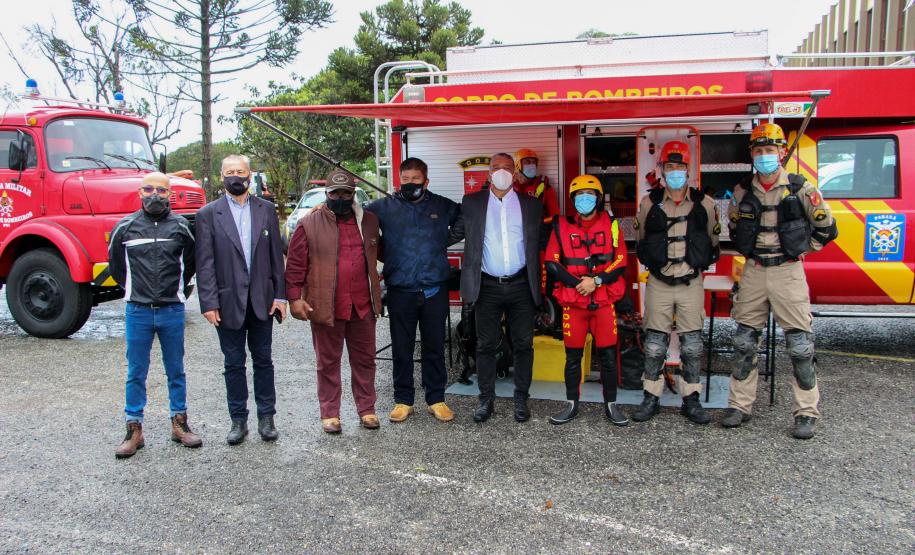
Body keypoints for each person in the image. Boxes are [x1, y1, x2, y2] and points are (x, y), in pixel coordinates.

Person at [725, 123, 838, 439]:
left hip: (788, 271)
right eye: (759, 151)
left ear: (782, 152)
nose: (764, 157)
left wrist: (799, 250)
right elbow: (735, 230)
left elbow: (827, 230)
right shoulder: (742, 191)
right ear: (752, 154)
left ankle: (806, 412)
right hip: (754, 270)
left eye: (769, 151)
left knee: (800, 346)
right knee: (744, 341)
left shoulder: (801, 188)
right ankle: (740, 405)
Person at [195, 154, 287, 445]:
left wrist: (280, 296)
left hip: (261, 300)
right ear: (222, 176)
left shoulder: (266, 210)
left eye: (241, 171)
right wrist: (208, 302)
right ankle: (238, 420)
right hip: (226, 303)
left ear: (250, 175)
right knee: (233, 363)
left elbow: (276, 258)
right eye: (230, 171)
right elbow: (205, 263)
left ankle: (267, 418)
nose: (236, 176)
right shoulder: (208, 214)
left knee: (264, 361)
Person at [108, 172, 201, 458]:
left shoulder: (182, 228)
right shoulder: (125, 228)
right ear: (139, 192)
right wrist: (136, 292)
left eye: (161, 190)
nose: (155, 195)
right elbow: (116, 269)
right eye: (149, 189)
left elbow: (191, 263)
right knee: (136, 372)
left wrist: (176, 294)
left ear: (170, 194)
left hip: (172, 310)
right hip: (138, 310)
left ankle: (180, 424)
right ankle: (133, 429)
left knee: (176, 370)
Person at [286, 169, 383, 434]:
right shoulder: (309, 223)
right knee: (327, 362)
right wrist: (294, 298)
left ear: (353, 195)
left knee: (365, 361)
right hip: (325, 304)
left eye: (346, 193)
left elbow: (383, 253)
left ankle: (367, 409)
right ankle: (330, 413)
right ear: (327, 194)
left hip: (362, 305)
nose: (340, 198)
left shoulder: (370, 221)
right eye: (335, 193)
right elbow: (295, 265)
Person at [365, 158, 461, 423]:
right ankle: (403, 400)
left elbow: (465, 217)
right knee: (402, 348)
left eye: (415, 180)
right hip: (400, 291)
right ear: (398, 180)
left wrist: (445, 239)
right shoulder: (382, 207)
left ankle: (436, 399)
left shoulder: (441, 205)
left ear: (426, 181)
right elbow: (357, 218)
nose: (410, 184)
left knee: (433, 347)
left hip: (433, 290)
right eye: (405, 180)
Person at [450, 153, 544, 423]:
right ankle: (485, 400)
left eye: (506, 167)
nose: (501, 172)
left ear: (514, 173)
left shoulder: (531, 205)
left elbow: (542, 241)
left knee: (524, 344)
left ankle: (521, 399)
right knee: (485, 345)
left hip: (521, 285)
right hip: (487, 285)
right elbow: (454, 234)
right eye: (496, 168)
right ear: (488, 173)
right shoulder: (472, 203)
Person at [631, 141, 720, 425]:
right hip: (659, 282)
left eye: (679, 167)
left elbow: (712, 239)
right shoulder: (649, 203)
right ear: (661, 170)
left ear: (688, 169)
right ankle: (651, 397)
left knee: (692, 345)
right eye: (669, 167)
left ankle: (690, 399)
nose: (674, 172)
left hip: (690, 282)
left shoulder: (704, 204)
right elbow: (642, 238)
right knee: (655, 344)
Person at [543, 174, 629, 426]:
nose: (584, 200)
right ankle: (571, 405)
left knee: (608, 357)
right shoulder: (561, 226)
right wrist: (579, 284)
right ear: (572, 200)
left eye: (589, 195)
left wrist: (597, 281)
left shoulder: (612, 225)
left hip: (603, 301)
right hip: (574, 301)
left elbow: (621, 260)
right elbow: (552, 261)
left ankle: (611, 405)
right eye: (579, 196)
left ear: (599, 198)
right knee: (572, 357)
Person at [513, 148, 560, 221]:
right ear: (517, 165)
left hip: (538, 230)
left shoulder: (544, 186)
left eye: (533, 162)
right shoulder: (509, 187)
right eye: (527, 162)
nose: (531, 165)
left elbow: (555, 216)